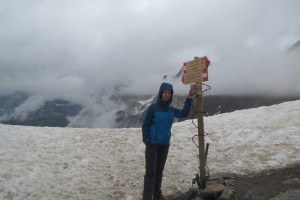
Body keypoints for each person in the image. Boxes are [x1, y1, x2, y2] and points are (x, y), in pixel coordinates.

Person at [142, 82, 194, 200]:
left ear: (171, 95)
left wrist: (190, 97)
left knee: (159, 172)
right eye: (165, 92)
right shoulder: (153, 108)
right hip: (153, 146)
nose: (167, 95)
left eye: (169, 93)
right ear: (161, 93)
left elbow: (183, 113)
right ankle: (147, 197)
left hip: (165, 145)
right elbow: (145, 125)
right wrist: (147, 141)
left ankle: (157, 195)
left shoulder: (170, 109)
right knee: (151, 173)